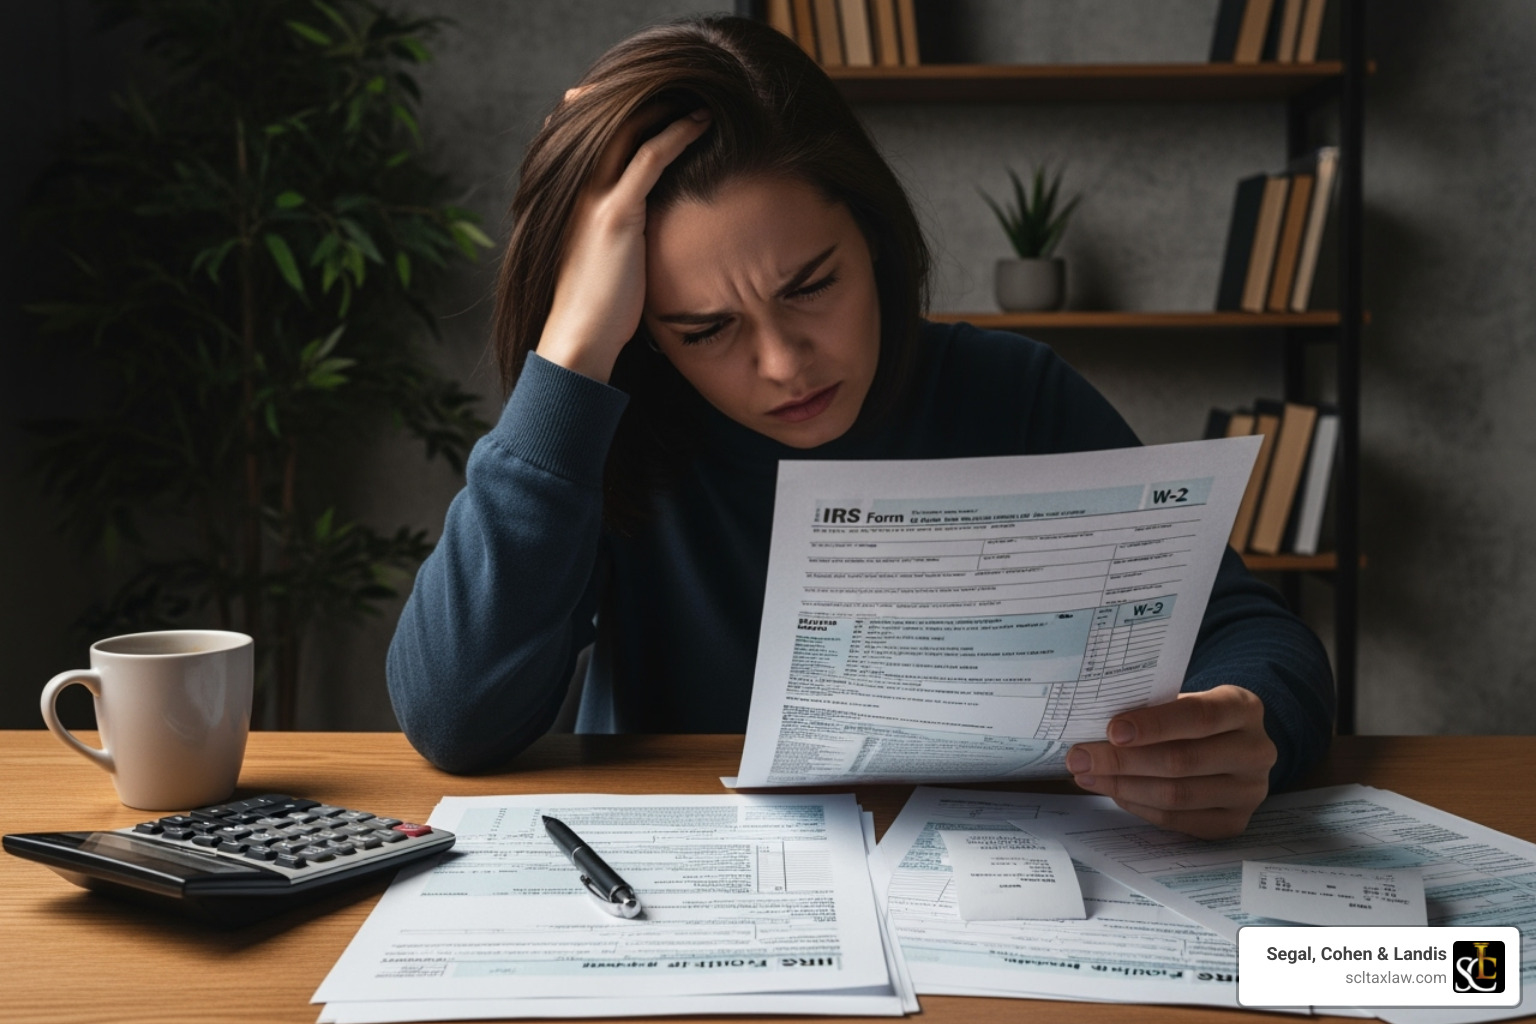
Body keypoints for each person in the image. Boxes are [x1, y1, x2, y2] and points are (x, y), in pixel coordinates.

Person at [387, 14, 1334, 840]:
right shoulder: (613, 431)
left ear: (874, 240)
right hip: (695, 895)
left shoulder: (1011, 393)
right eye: (705, 329)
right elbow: (453, 714)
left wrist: (1250, 724)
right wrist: (569, 357)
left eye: (813, 286)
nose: (785, 364)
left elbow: (1249, 629)